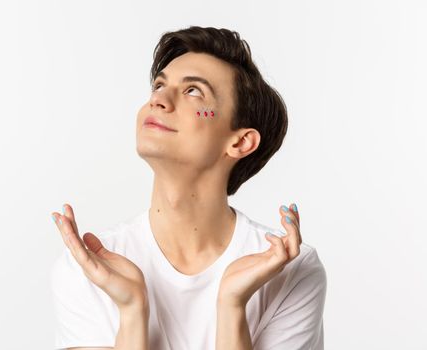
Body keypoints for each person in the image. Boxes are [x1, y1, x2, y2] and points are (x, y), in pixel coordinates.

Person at [50, 26, 327, 350]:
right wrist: (132, 310)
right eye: (159, 84)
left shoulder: (290, 271)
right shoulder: (89, 269)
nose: (158, 99)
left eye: (194, 91)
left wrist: (232, 305)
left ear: (239, 141)